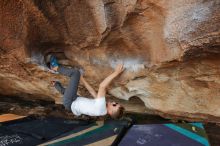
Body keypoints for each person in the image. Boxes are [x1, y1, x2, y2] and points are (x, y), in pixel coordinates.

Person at [48, 55, 125, 119]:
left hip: (70, 101)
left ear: (111, 112)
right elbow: (92, 92)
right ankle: (55, 84)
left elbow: (102, 86)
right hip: (73, 101)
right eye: (116, 103)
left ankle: (54, 67)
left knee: (75, 73)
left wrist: (116, 73)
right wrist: (82, 79)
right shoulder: (102, 109)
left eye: (114, 105)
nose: (114, 102)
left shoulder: (101, 108)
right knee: (67, 92)